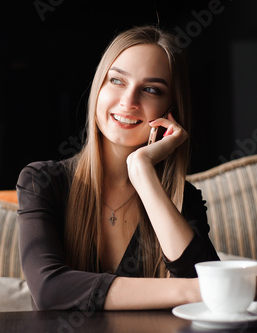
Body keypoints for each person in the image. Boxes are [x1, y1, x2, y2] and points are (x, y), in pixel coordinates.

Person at [16, 25, 220, 312]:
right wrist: (192, 290)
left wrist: (143, 171)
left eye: (151, 89)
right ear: (98, 87)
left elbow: (213, 300)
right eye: (116, 81)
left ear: (170, 109)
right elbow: (50, 290)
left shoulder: (182, 199)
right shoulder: (43, 182)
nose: (129, 101)